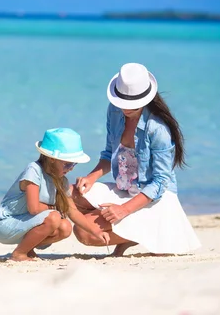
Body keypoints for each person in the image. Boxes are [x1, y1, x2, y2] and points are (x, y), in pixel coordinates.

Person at [73, 63, 201, 256]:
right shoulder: (115, 110)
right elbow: (109, 154)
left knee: (84, 233)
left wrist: (123, 210)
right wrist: (91, 178)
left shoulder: (158, 129)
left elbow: (159, 183)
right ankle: (129, 229)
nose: (125, 108)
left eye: (131, 104)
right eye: (122, 101)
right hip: (125, 188)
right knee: (70, 194)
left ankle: (138, 234)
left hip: (152, 197)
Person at [0, 128, 110, 261]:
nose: (71, 168)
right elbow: (34, 208)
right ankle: (19, 254)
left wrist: (96, 231)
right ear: (52, 159)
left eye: (74, 164)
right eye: (67, 164)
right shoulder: (34, 170)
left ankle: (27, 248)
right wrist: (55, 209)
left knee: (65, 227)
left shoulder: (61, 181)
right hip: (6, 223)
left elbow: (73, 211)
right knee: (54, 217)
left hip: (25, 223)